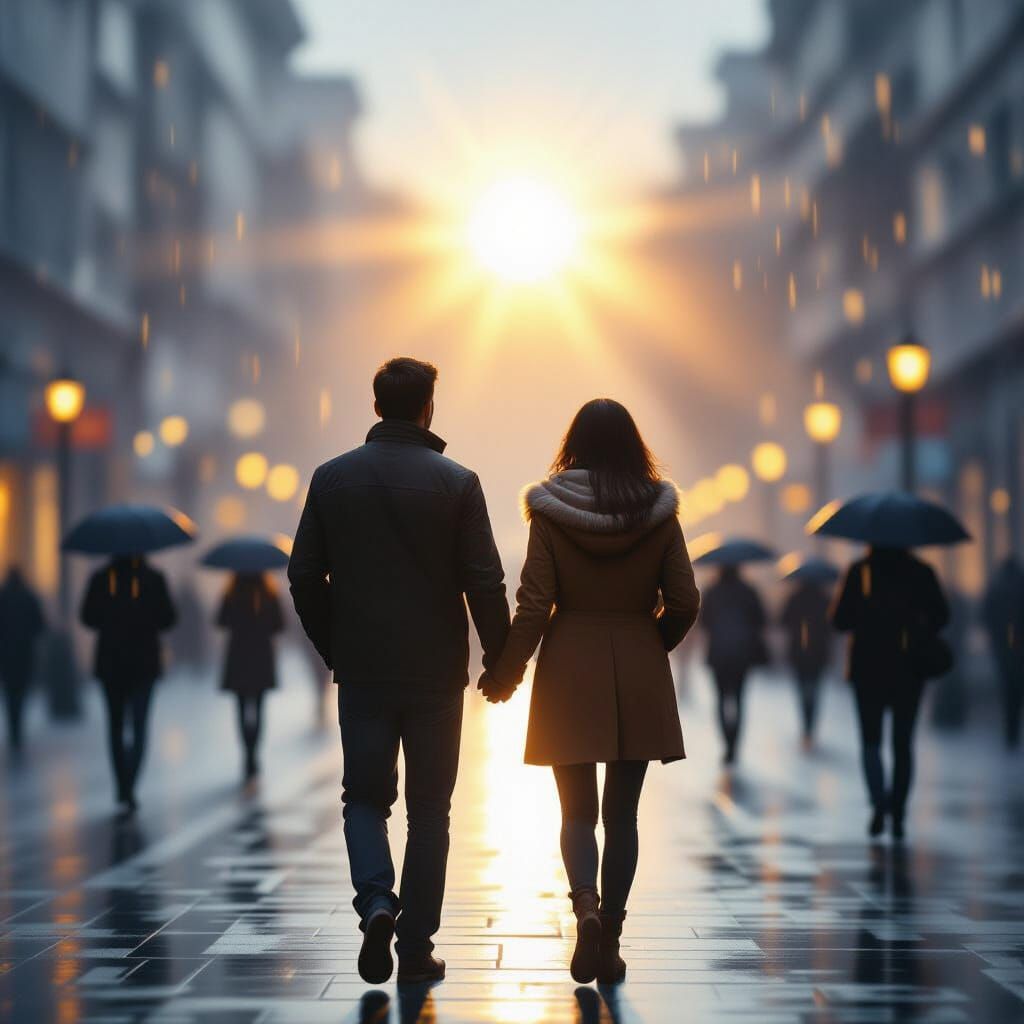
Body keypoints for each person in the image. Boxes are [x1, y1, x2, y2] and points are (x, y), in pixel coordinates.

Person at [288, 357, 510, 985]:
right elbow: (485, 581)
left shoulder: (331, 480)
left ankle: (377, 901)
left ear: (376, 404)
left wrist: (336, 644)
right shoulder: (458, 483)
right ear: (428, 407)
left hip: (363, 669)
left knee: (362, 796)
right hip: (436, 672)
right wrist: (501, 660)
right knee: (430, 810)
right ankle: (415, 945)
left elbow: (303, 574)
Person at [483, 398, 700, 985]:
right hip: (636, 661)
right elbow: (685, 600)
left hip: (569, 665)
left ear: (572, 443)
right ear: (634, 445)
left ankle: (585, 909)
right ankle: (613, 940)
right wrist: (650, 644)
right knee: (622, 814)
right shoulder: (659, 512)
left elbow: (533, 605)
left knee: (576, 812)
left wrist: (504, 674)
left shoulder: (552, 513)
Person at [832, 546, 950, 840]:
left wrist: (865, 614)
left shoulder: (860, 571)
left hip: (868, 668)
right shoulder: (922, 573)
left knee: (871, 740)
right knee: (902, 742)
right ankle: (898, 811)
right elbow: (942, 616)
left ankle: (878, 803)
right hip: (908, 669)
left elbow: (839, 620)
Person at [80, 554, 177, 814]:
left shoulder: (101, 579)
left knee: (115, 725)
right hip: (144, 665)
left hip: (111, 664)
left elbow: (87, 617)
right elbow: (168, 619)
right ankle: (129, 782)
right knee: (139, 724)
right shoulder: (154, 579)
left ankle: (122, 784)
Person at [216, 572, 284, 779]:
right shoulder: (269, 594)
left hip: (239, 659)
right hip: (261, 659)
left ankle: (247, 753)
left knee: (242, 708)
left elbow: (220, 620)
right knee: (259, 708)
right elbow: (279, 624)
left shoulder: (232, 593)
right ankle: (253, 754)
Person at [699, 564, 767, 764]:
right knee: (738, 699)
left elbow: (704, 621)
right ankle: (734, 744)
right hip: (742, 655)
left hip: (719, 655)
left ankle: (727, 742)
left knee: (721, 699)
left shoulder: (712, 591)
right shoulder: (748, 591)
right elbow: (761, 620)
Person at [779, 577, 833, 747]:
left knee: (802, 689)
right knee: (814, 690)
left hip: (799, 653)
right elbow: (833, 624)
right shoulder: (825, 600)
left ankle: (806, 726)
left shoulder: (795, 598)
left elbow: (783, 620)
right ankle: (810, 727)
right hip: (819, 653)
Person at [0, 567, 45, 753]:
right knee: (20, 693)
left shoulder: (2, 598)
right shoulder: (29, 597)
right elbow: (40, 625)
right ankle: (17, 730)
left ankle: (14, 729)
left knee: (10, 693)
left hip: (5, 655)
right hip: (24, 654)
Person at [981, 556, 1024, 749]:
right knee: (1013, 693)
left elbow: (985, 617)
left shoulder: (996, 591)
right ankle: (1012, 734)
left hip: (1005, 652)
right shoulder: (1017, 590)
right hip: (1015, 651)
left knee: (1010, 694)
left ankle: (1011, 735)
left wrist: (997, 638)